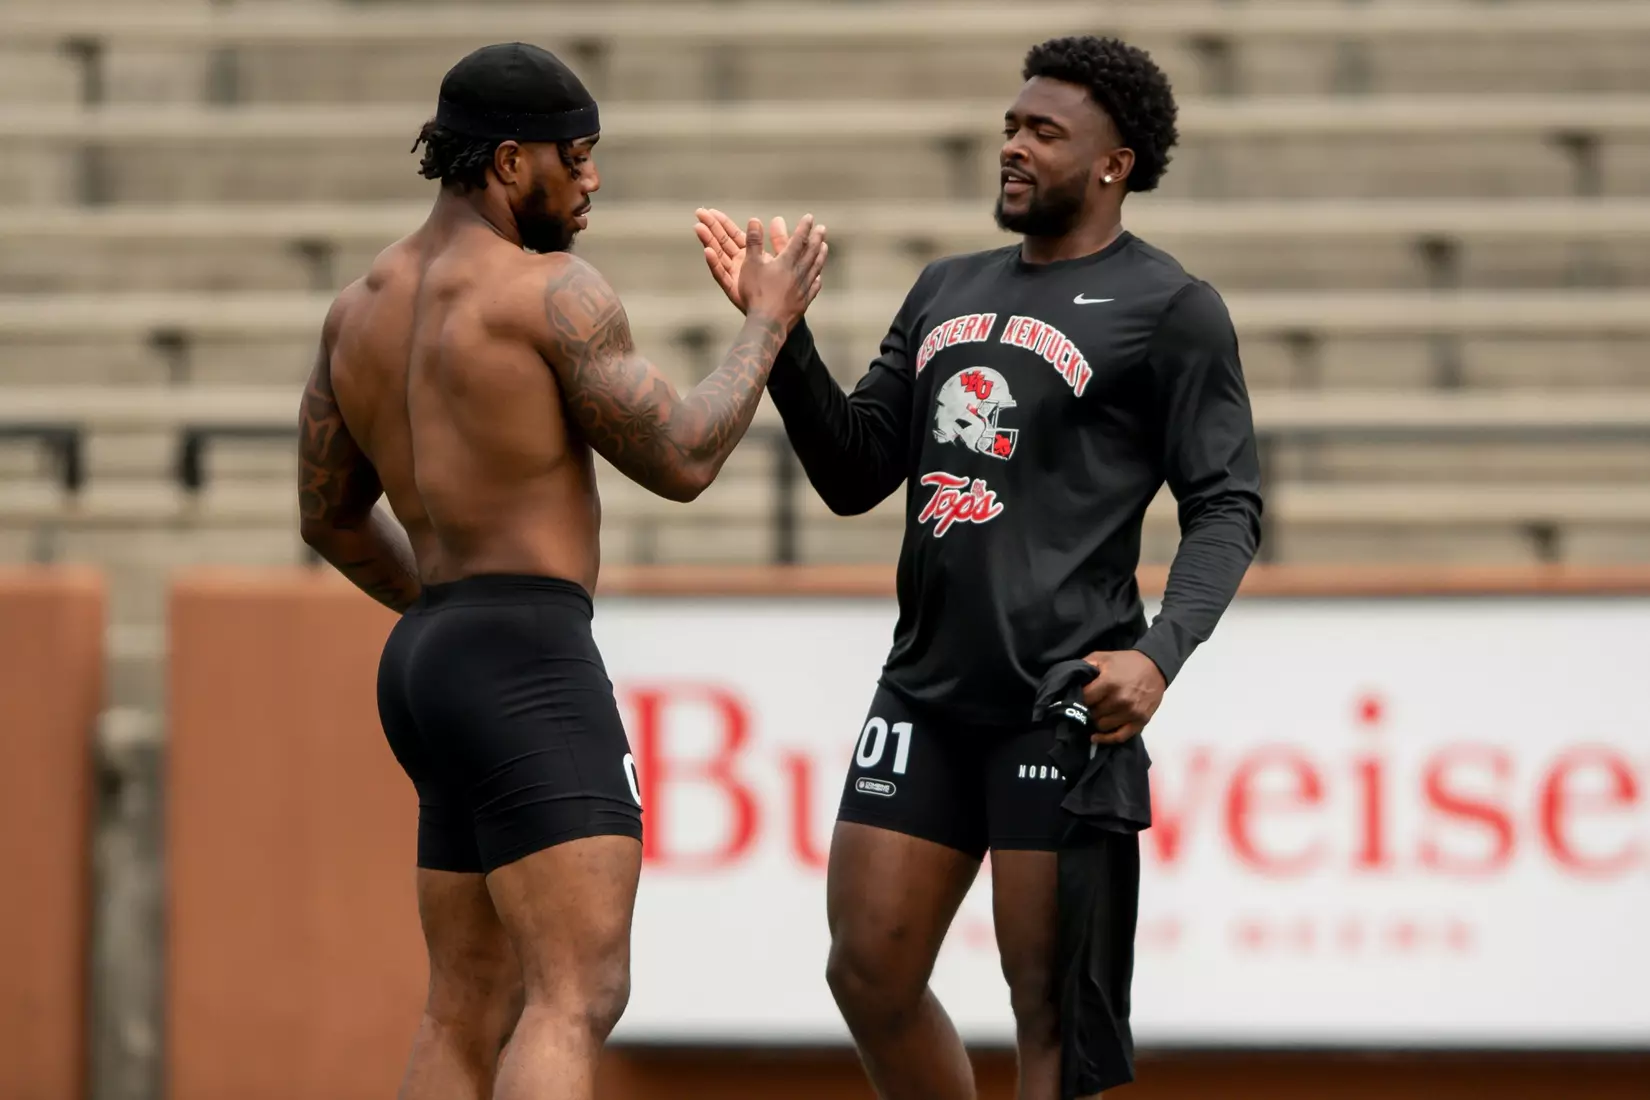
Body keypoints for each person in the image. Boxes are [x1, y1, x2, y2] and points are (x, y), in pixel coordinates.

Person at [695, 35, 1260, 1100]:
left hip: (1059, 700)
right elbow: (857, 469)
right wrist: (782, 337)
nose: (1013, 145)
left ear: (1115, 162)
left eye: (1044, 132)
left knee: (1045, 1013)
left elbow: (1227, 506)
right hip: (926, 687)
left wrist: (1158, 654)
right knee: (867, 970)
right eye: (1010, 125)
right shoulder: (946, 286)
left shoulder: (1170, 307)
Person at [296, 42, 827, 1100]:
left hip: (430, 654)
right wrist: (769, 321)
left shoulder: (358, 307)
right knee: (575, 991)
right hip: (525, 652)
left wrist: (449, 624)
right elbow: (681, 455)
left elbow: (329, 516)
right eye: (575, 157)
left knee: (463, 999)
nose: (591, 181)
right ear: (506, 162)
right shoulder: (549, 293)